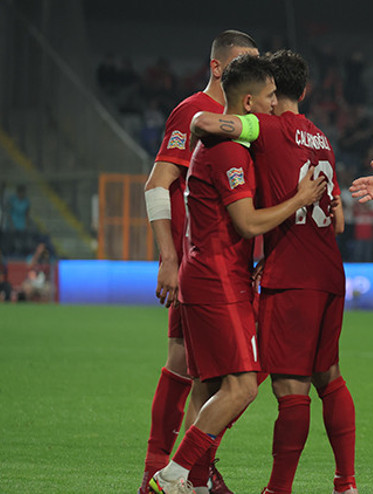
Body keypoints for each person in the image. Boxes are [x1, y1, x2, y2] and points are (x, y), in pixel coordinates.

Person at [149, 54, 326, 494]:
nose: (273, 105)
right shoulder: (227, 149)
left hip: (216, 274)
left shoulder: (234, 146)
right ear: (249, 101)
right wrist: (300, 199)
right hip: (217, 280)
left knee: (208, 387)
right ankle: (172, 476)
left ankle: (195, 480)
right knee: (243, 386)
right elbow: (246, 222)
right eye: (268, 97)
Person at [191, 49, 355, 494]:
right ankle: (346, 483)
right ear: (304, 90)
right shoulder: (323, 138)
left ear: (272, 92)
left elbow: (206, 123)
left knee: (289, 387)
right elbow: (338, 219)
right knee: (331, 377)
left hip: (292, 275)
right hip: (330, 272)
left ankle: (275, 488)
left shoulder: (267, 126)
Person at [140, 29, 258, 494]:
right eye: (243, 63)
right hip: (199, 264)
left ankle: (190, 470)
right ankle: (165, 471)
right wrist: (167, 257)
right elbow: (156, 183)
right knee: (190, 365)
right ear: (217, 68)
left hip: (229, 264)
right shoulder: (193, 112)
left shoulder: (243, 120)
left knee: (210, 372)